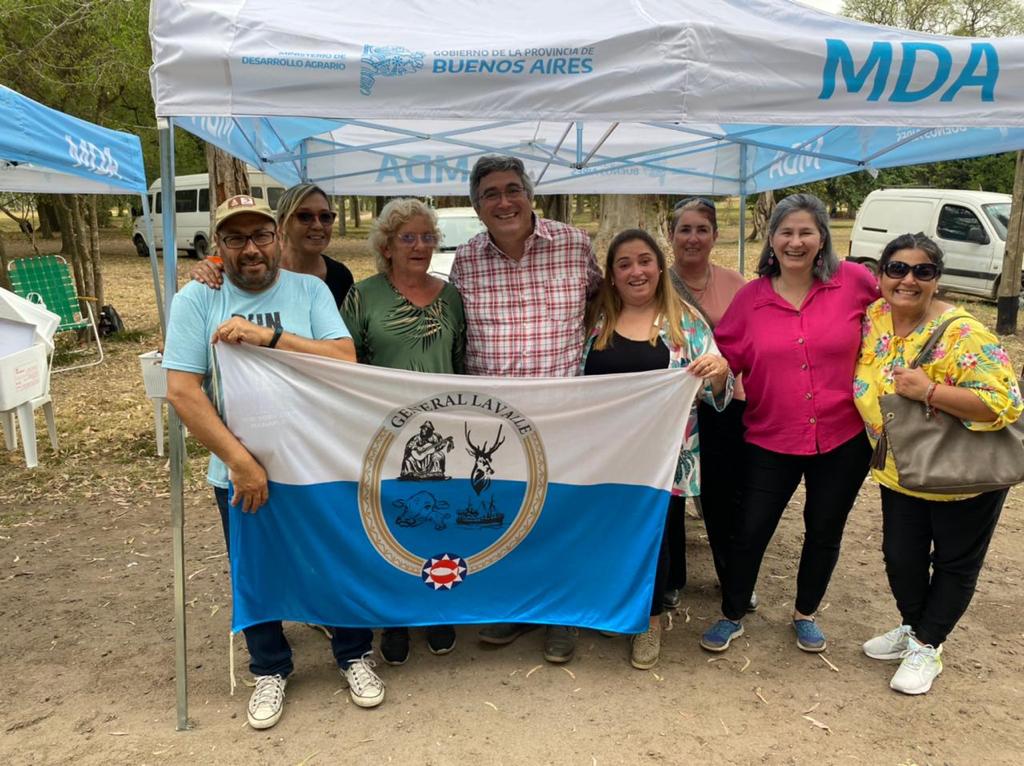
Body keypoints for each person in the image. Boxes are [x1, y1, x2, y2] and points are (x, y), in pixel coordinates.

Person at [163, 194, 383, 731]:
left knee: (336, 555)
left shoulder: (309, 291)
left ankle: (354, 654)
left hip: (317, 461)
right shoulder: (197, 299)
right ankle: (269, 667)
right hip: (240, 469)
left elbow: (344, 357)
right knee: (255, 567)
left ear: (278, 239)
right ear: (219, 247)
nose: (251, 249)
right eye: (235, 239)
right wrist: (240, 462)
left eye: (261, 235)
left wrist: (270, 337)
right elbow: (183, 390)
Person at [700, 193, 877, 655]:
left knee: (824, 529)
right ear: (771, 238)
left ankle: (805, 613)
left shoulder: (855, 283)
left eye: (806, 232)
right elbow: (727, 356)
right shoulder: (750, 299)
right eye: (786, 232)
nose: (795, 241)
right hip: (770, 436)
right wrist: (719, 370)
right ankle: (733, 612)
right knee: (750, 528)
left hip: (842, 438)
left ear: (822, 238)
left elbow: (895, 325)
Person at [853, 233, 1022, 695]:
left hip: (962, 477)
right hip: (902, 470)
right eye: (897, 269)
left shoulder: (964, 332)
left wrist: (929, 391)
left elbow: (1004, 403)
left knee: (954, 563)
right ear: (881, 275)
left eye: (922, 271)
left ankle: (928, 644)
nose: (908, 279)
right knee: (901, 558)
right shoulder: (875, 320)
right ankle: (913, 626)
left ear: (936, 279)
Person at [450, 154, 602, 663]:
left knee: (558, 514)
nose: (503, 201)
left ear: (530, 194)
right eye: (490, 194)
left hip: (562, 411)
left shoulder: (575, 245)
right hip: (494, 424)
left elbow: (609, 307)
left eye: (512, 189)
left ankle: (561, 615)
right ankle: (515, 606)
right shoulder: (465, 260)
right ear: (477, 206)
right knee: (506, 514)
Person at [580, 229, 732, 669]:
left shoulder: (684, 322)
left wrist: (718, 370)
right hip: (603, 456)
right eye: (624, 263)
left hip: (664, 459)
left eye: (644, 260)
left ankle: (650, 620)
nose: (636, 271)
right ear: (611, 275)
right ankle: (615, 607)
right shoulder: (596, 320)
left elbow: (716, 391)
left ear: (659, 267)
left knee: (657, 538)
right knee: (610, 533)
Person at [341, 197, 465, 664]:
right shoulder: (362, 296)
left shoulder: (451, 295)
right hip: (385, 434)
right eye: (407, 237)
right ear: (387, 246)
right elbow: (344, 362)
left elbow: (461, 364)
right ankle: (395, 618)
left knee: (439, 520)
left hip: (442, 432)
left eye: (426, 236)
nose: (419, 245)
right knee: (391, 524)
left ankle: (437, 610)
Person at [662, 197, 755, 613]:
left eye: (702, 229)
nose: (693, 238)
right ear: (671, 235)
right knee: (671, 496)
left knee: (723, 497)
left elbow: (752, 343)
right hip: (671, 409)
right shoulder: (655, 282)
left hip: (724, 403)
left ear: (716, 235)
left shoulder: (737, 284)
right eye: (685, 229)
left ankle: (733, 579)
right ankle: (672, 579)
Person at [190, 182, 354, 307]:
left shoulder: (341, 277)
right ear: (282, 224)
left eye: (325, 217)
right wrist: (205, 270)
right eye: (305, 216)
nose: (318, 225)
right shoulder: (257, 266)